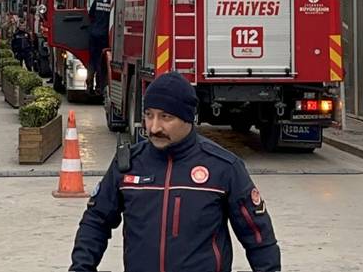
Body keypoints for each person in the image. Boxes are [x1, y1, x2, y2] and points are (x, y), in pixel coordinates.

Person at [69, 72, 281, 272]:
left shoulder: (224, 167)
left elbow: (258, 236)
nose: (154, 127)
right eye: (149, 115)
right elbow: (96, 222)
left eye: (166, 117)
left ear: (188, 118)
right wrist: (81, 267)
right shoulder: (128, 164)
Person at [85, 0, 113, 94]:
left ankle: (89, 85)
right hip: (105, 37)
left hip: (94, 34)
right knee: (101, 63)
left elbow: (90, 15)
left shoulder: (98, 0)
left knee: (92, 61)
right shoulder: (114, 1)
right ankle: (99, 87)